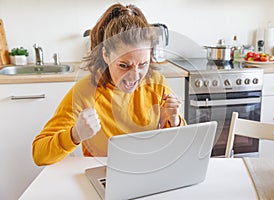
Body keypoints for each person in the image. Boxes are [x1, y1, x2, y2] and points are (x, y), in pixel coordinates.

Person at [32, 3, 186, 166]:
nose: (135, 76)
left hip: (149, 171)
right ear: (106, 55)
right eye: (124, 65)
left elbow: (179, 147)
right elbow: (39, 155)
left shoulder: (156, 83)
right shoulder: (84, 92)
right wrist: (75, 134)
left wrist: (174, 120)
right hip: (104, 174)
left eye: (142, 64)